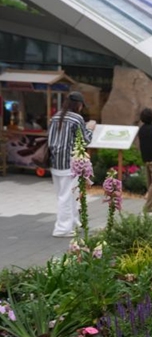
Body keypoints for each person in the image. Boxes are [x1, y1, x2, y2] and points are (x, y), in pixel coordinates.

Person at [47, 91, 95, 238]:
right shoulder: (77, 118)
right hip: (70, 163)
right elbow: (85, 140)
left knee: (65, 194)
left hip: (55, 162)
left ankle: (73, 222)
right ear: (78, 105)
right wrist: (90, 128)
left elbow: (49, 140)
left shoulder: (55, 117)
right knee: (67, 196)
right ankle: (62, 229)